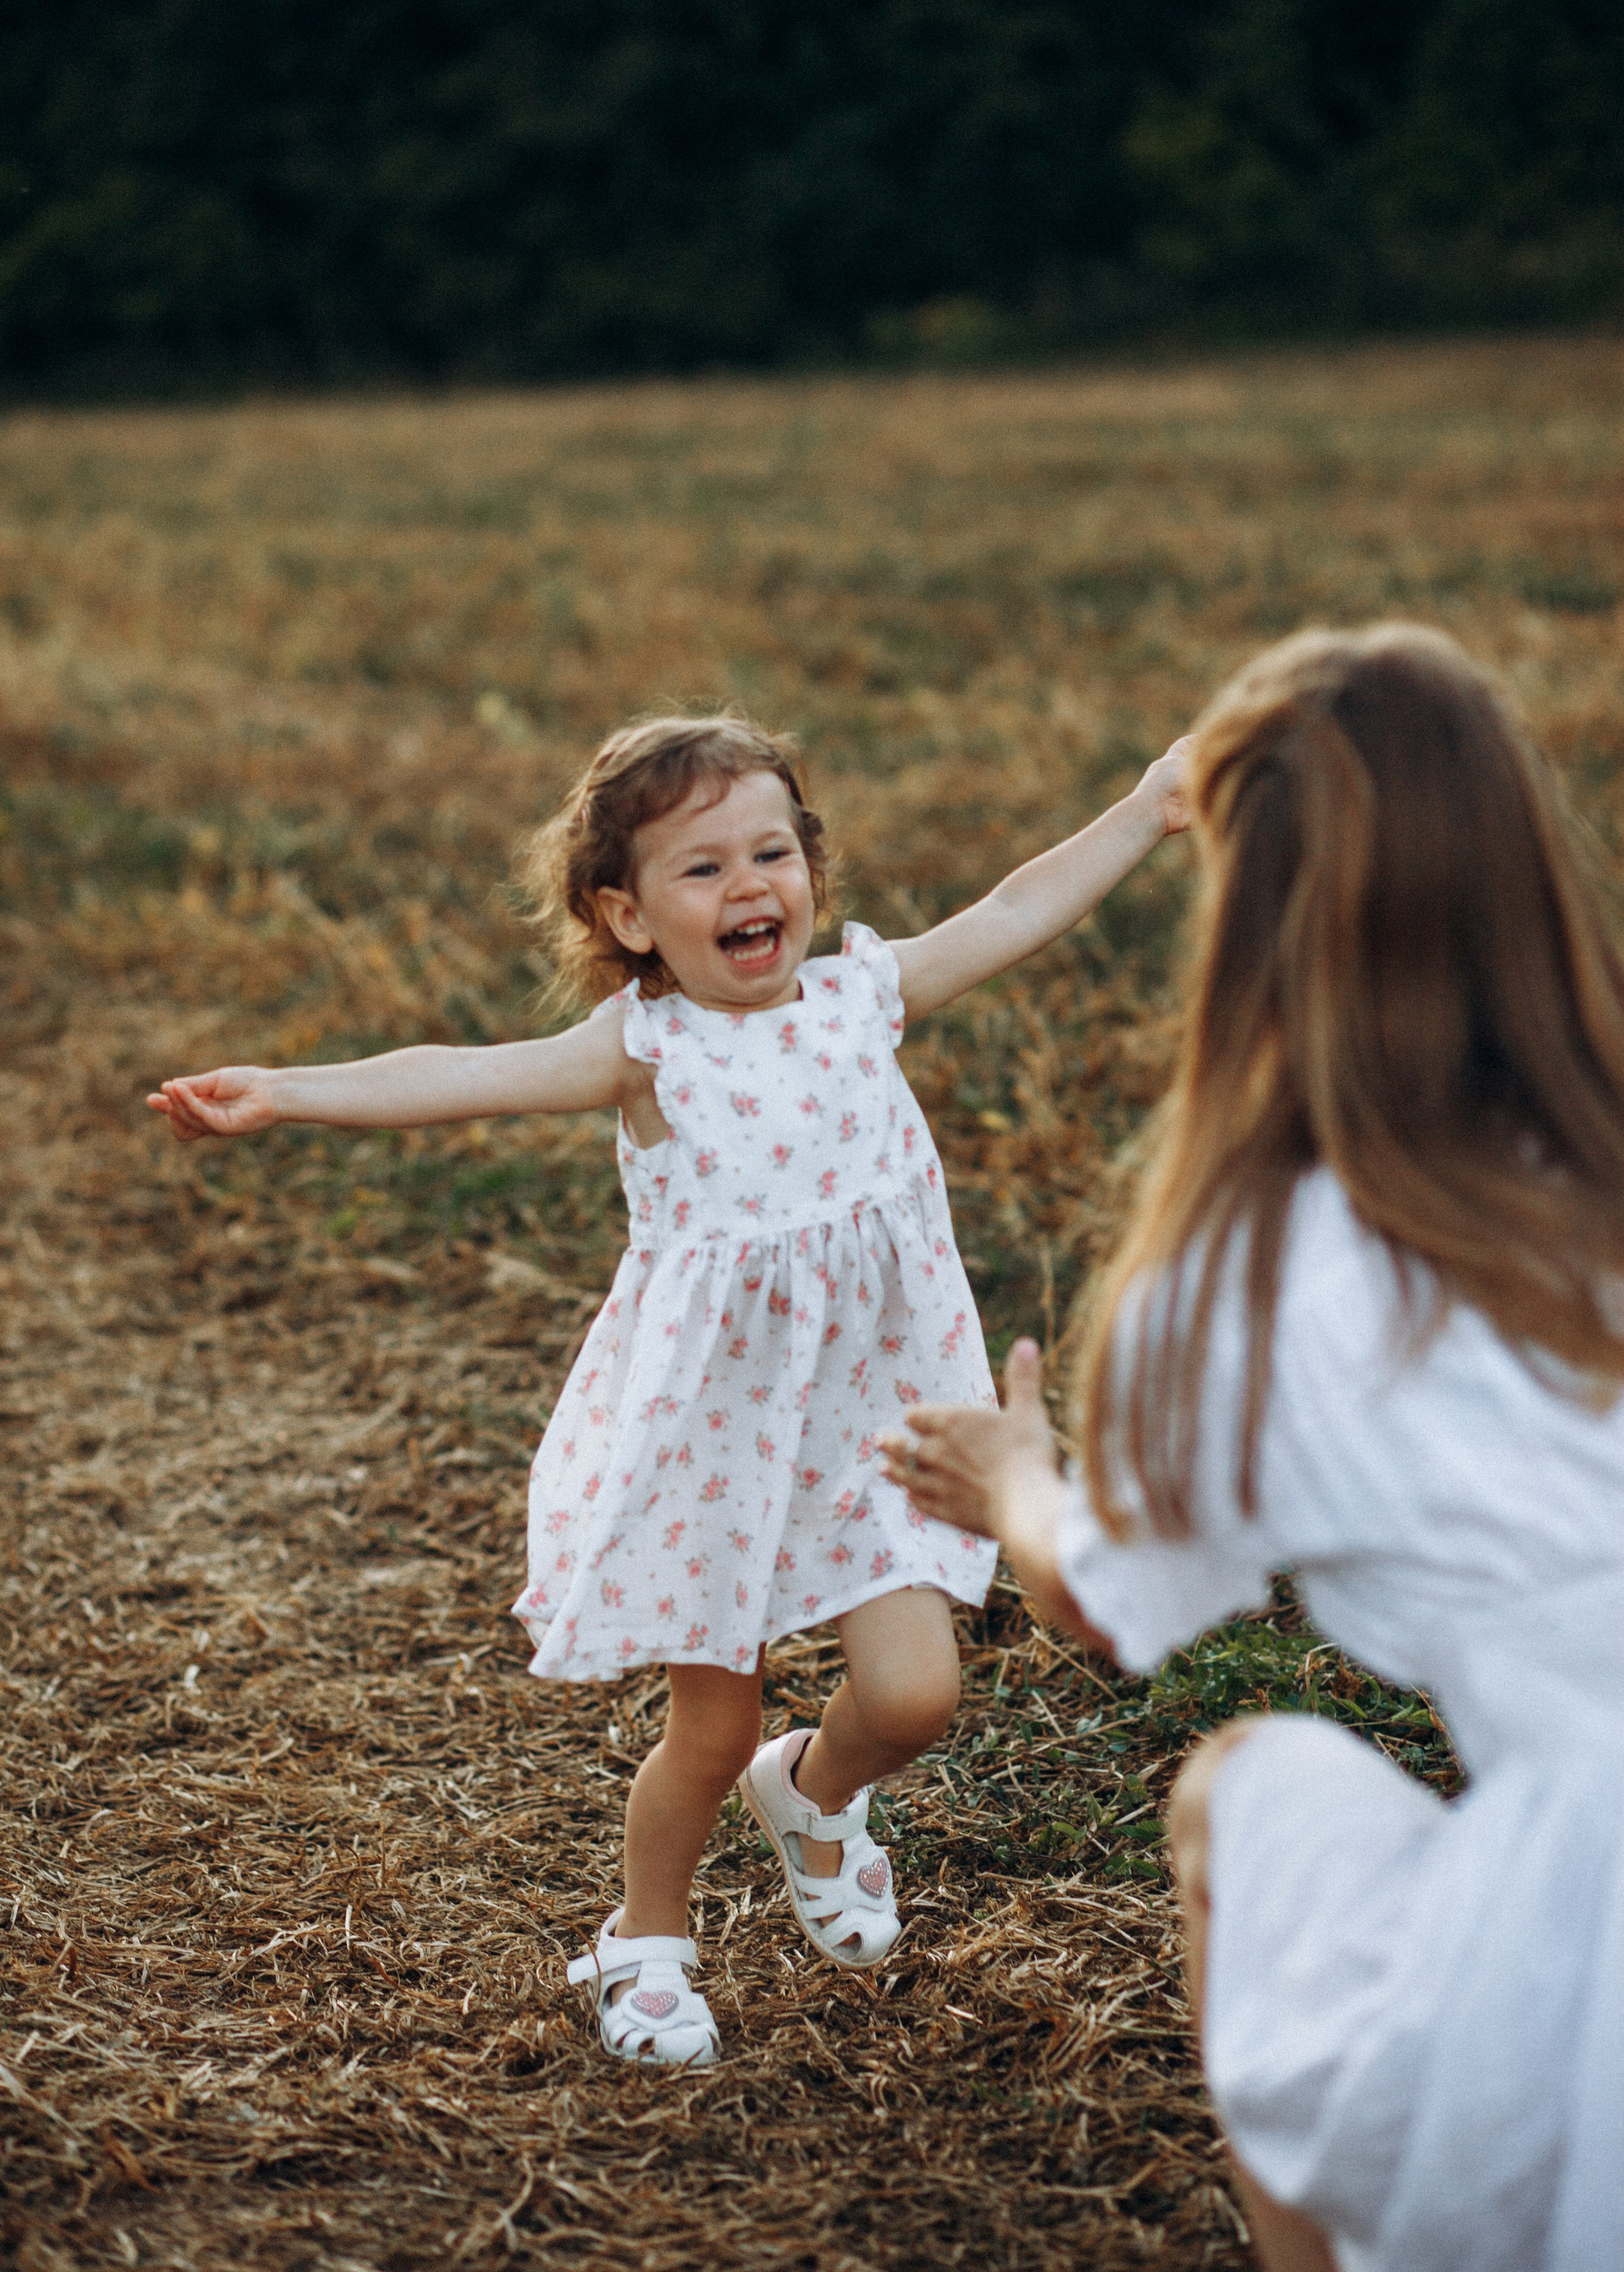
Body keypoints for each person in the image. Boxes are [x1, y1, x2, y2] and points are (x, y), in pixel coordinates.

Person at [150, 711, 1189, 2068]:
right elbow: (460, 1075)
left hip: (874, 1425)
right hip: (720, 1443)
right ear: (626, 916)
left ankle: (813, 1802)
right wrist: (283, 1092)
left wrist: (1148, 803)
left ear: (812, 870)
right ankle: (645, 1940)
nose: (749, 886)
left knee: (917, 1697)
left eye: (772, 851)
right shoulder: (642, 1052)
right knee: (712, 1723)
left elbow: (1016, 906)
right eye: (701, 870)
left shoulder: (861, 997)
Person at [882, 626, 1624, 2272]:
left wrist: (1015, 1480)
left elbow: (1107, 1603)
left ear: (1249, 924)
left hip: (1591, 1952)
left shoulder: (1247, 1276)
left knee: (1246, 1786)